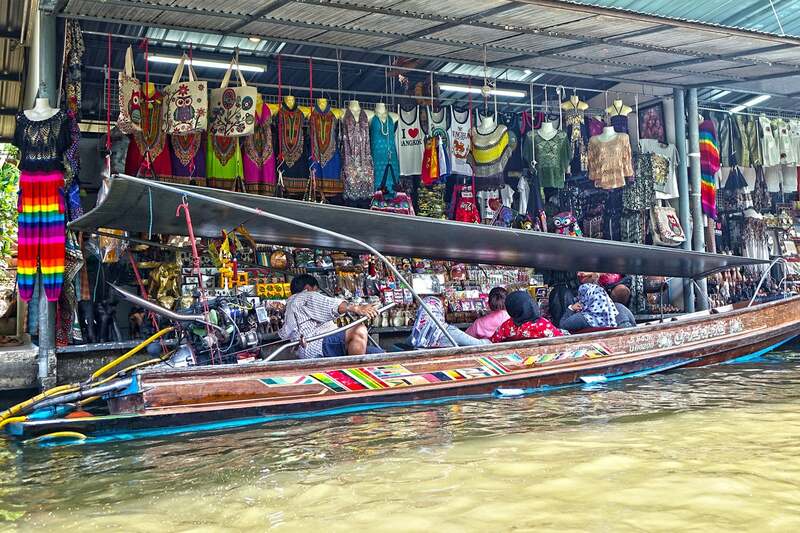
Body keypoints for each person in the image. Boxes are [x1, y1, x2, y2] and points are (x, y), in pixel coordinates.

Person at [278, 274, 381, 359]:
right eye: (316, 290)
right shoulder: (305, 296)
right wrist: (357, 308)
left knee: (380, 354)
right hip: (317, 344)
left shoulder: (290, 303)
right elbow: (332, 305)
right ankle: (356, 374)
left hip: (311, 347)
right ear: (308, 288)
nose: (317, 293)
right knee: (359, 330)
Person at [410, 296, 489, 348]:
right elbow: (480, 345)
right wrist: (489, 340)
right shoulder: (448, 332)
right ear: (439, 310)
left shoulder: (416, 334)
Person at [491, 290, 564, 343]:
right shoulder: (543, 325)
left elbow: (494, 341)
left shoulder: (506, 326)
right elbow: (560, 340)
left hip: (515, 360)